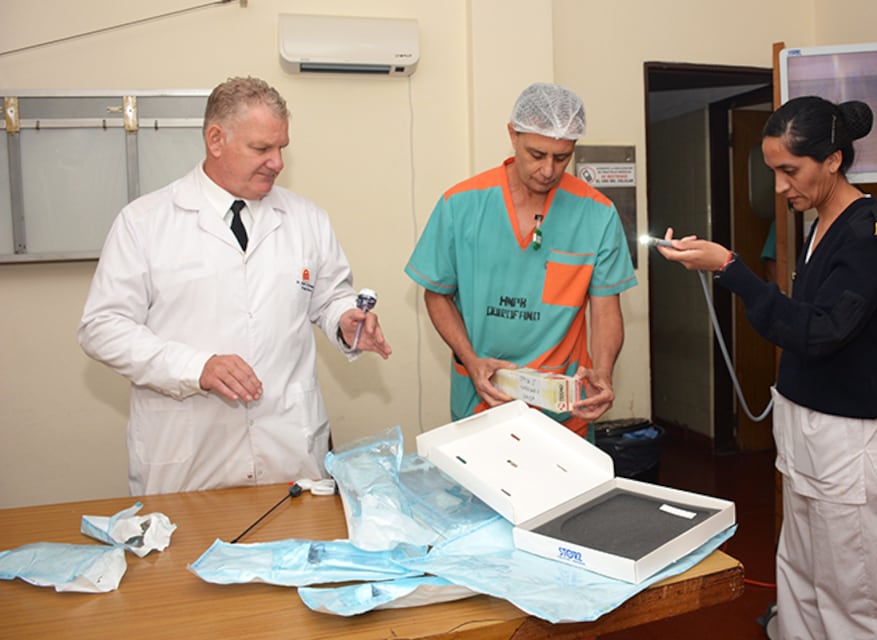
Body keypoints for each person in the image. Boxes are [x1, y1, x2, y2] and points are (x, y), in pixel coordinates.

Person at [657, 96, 877, 639]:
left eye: (789, 170)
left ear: (834, 160)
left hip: (847, 442)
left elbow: (821, 331)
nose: (779, 186)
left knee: (856, 598)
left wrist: (731, 268)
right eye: (774, 170)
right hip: (806, 434)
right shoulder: (820, 224)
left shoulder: (871, 235)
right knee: (801, 580)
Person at [78, 76, 392, 496]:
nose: (277, 162)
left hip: (288, 450)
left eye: (281, 147)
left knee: (298, 554)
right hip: (188, 456)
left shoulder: (307, 219)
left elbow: (330, 297)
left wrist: (345, 320)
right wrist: (196, 367)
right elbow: (102, 328)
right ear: (215, 139)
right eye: (261, 148)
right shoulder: (145, 222)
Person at [405, 82, 637, 439]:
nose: (548, 170)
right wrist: (471, 359)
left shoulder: (597, 214)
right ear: (513, 134)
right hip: (484, 400)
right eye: (537, 154)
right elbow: (437, 294)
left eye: (562, 158)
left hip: (564, 411)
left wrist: (603, 371)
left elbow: (606, 309)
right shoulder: (461, 205)